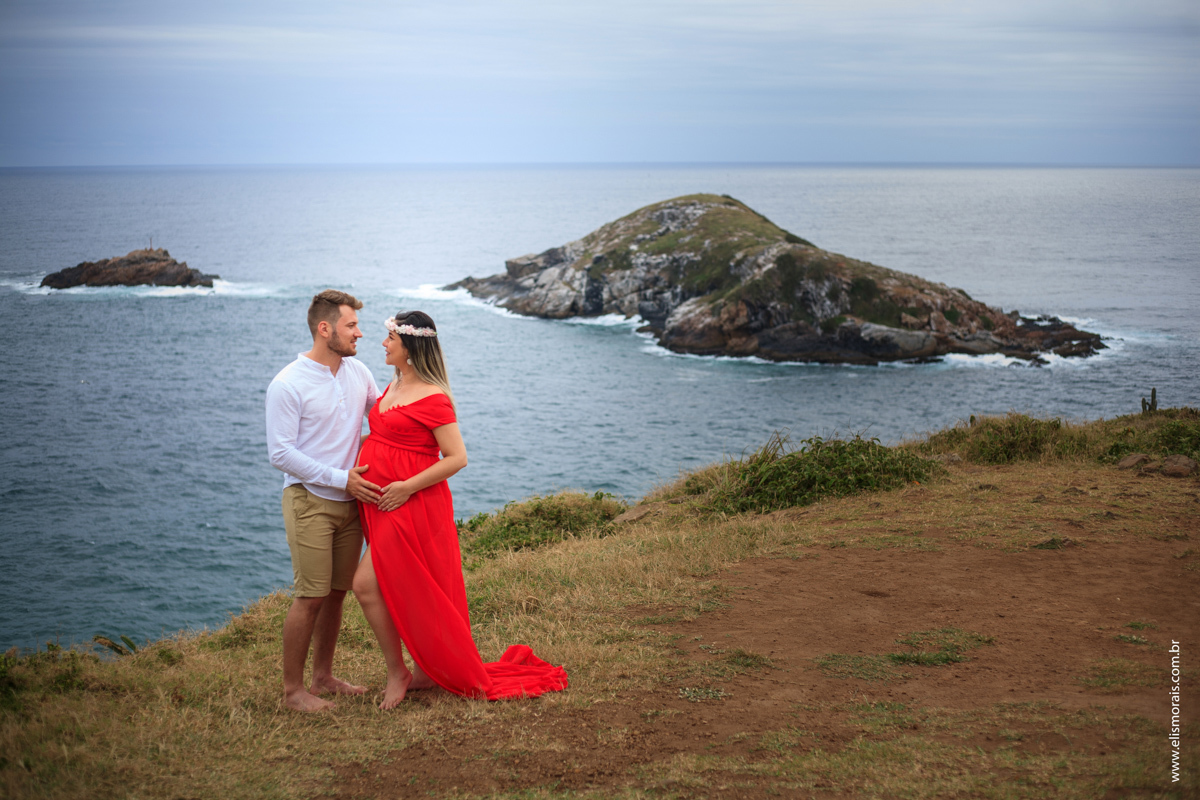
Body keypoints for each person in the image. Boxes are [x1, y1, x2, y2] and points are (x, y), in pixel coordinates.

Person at [351, 310, 568, 708]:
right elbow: (385, 435)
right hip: (382, 501)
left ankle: (398, 670)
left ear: (411, 347)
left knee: (366, 585)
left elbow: (457, 457)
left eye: (390, 340)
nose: (382, 344)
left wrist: (404, 488)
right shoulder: (395, 383)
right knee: (412, 586)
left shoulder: (434, 397)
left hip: (410, 502)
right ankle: (422, 669)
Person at [265, 289, 383, 712]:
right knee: (311, 595)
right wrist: (340, 479)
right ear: (325, 328)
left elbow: (383, 419)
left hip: (353, 501)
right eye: (351, 326)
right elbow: (280, 453)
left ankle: (324, 677)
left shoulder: (358, 372)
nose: (360, 334)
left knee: (337, 593)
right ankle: (293, 692)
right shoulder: (287, 383)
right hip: (310, 500)